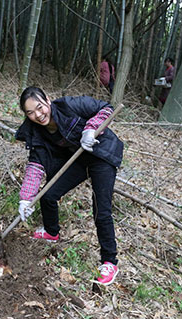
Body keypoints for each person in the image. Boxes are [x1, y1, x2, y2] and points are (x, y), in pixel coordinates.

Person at [15, 86, 124, 286]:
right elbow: (35, 166)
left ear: (48, 100)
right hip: (79, 157)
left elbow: (106, 109)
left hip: (102, 154)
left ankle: (109, 261)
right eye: (30, 113)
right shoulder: (35, 131)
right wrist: (26, 198)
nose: (38, 115)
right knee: (48, 194)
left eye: (40, 107)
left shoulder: (69, 105)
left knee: (101, 210)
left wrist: (91, 128)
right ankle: (51, 231)